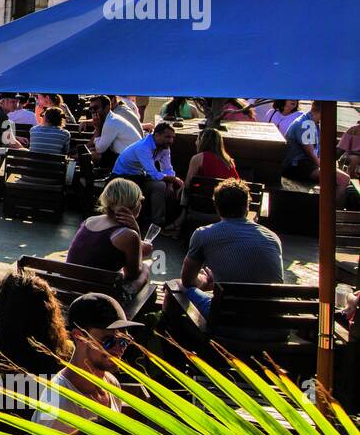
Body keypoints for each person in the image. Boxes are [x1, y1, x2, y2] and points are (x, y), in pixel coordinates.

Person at [32, 294, 137, 435]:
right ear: (79, 337)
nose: (118, 349)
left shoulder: (111, 384)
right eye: (109, 341)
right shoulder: (59, 402)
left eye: (124, 341)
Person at [180, 178, 284, 319]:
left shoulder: (203, 234)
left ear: (216, 207)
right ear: (247, 207)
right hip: (274, 326)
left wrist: (205, 281)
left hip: (227, 323)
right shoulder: (272, 237)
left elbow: (187, 281)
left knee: (177, 286)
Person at [66, 177, 154, 293]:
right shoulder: (128, 235)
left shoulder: (90, 221)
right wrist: (137, 235)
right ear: (134, 204)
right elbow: (132, 275)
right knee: (145, 269)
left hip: (68, 288)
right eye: (140, 201)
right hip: (97, 296)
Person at [112, 121, 184, 230]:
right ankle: (140, 222)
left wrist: (170, 184)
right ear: (156, 135)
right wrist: (174, 179)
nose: (171, 141)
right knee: (157, 185)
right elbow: (153, 174)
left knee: (161, 186)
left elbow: (168, 168)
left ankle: (158, 223)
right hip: (123, 177)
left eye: (173, 138)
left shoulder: (164, 147)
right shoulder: (143, 147)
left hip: (139, 175)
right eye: (167, 137)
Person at [284, 101, 352, 206]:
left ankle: (331, 209)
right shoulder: (306, 124)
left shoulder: (312, 122)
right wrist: (329, 169)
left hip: (305, 164)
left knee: (342, 177)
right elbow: (311, 154)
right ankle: (334, 213)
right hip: (297, 165)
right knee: (343, 179)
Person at [89, 94, 143, 170]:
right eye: (90, 109)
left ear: (107, 108)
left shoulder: (111, 122)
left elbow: (99, 149)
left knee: (94, 155)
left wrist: (98, 128)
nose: (93, 112)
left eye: (95, 108)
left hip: (132, 162)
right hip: (128, 156)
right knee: (91, 151)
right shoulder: (111, 118)